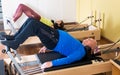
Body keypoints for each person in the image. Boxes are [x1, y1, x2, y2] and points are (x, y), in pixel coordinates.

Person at [1, 17, 98, 69]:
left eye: (90, 40)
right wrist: (47, 48)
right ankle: (14, 37)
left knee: (33, 25)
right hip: (54, 36)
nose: (88, 38)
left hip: (53, 39)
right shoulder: (80, 44)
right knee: (31, 20)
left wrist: (52, 63)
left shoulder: (81, 52)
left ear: (90, 47)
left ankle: (16, 43)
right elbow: (65, 47)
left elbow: (68, 60)